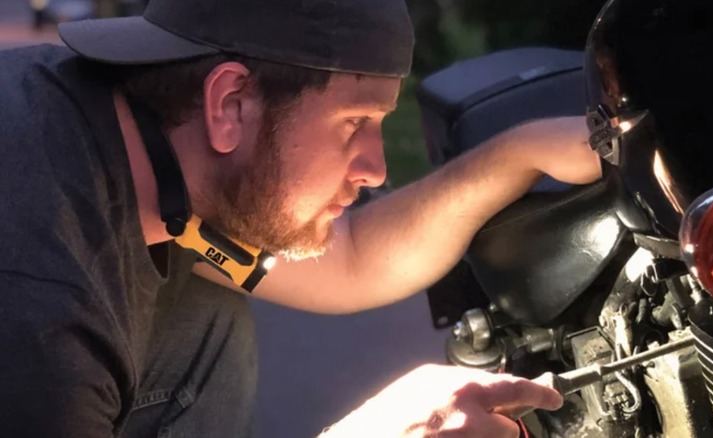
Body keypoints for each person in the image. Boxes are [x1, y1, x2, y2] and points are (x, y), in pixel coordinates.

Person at [0, 0, 601, 436]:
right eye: (354, 122)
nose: (375, 169)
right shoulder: (45, 308)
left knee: (204, 310)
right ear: (230, 104)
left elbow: (350, 255)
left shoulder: (143, 157)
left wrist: (521, 152)